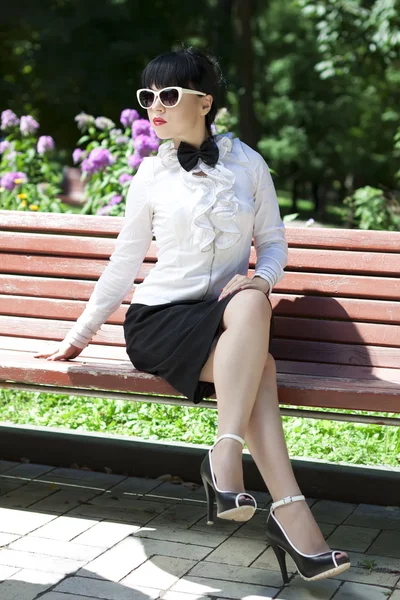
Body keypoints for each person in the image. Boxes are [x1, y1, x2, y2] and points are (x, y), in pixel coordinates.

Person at [34, 46, 350, 584]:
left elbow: (272, 245)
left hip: (226, 321)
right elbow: (123, 265)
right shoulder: (150, 176)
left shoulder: (247, 164)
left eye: (169, 95)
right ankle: (278, 506)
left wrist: (259, 278)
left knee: (253, 299)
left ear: (204, 102)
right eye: (147, 96)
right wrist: (81, 333)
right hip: (159, 323)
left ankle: (232, 465)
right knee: (260, 367)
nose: (155, 106)